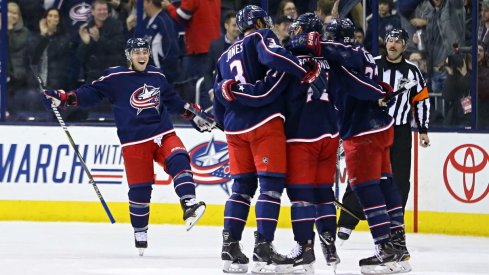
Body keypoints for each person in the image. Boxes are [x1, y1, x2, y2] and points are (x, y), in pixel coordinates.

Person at [41, 37, 212, 257]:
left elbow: (173, 100)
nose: (141, 56)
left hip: (162, 133)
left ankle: (189, 204)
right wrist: (63, 99)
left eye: (144, 51)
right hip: (134, 141)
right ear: (128, 56)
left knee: (179, 158)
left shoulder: (157, 75)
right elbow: (89, 94)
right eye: (136, 52)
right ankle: (140, 231)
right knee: (140, 191)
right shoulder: (115, 77)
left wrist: (194, 114)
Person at [286, 18, 412, 274]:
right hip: (379, 127)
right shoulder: (363, 54)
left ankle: (384, 250)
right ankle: (398, 245)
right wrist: (379, 90)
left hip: (361, 130)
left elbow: (352, 82)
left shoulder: (342, 54)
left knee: (366, 189)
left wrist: (295, 42)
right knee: (386, 183)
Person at [213, 5, 322, 274]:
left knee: (241, 188)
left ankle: (230, 248)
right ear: (260, 21)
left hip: (234, 127)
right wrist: (301, 69)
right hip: (263, 123)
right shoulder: (261, 36)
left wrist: (225, 121)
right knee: (271, 187)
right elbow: (274, 56)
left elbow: (217, 100)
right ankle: (263, 248)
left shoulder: (224, 55)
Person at [337, 29, 430, 245]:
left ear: (405, 46)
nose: (393, 44)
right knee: (361, 174)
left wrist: (423, 129)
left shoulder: (412, 71)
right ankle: (346, 223)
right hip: (372, 127)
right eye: (390, 40)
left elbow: (422, 100)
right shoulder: (372, 65)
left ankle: (394, 227)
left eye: (398, 41)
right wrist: (373, 101)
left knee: (398, 181)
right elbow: (357, 92)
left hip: (400, 132)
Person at [142, 0, 180, 84]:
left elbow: (171, 49)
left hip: (160, 77)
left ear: (150, 2)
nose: (141, 5)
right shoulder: (146, 22)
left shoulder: (164, 21)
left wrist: (163, 73)